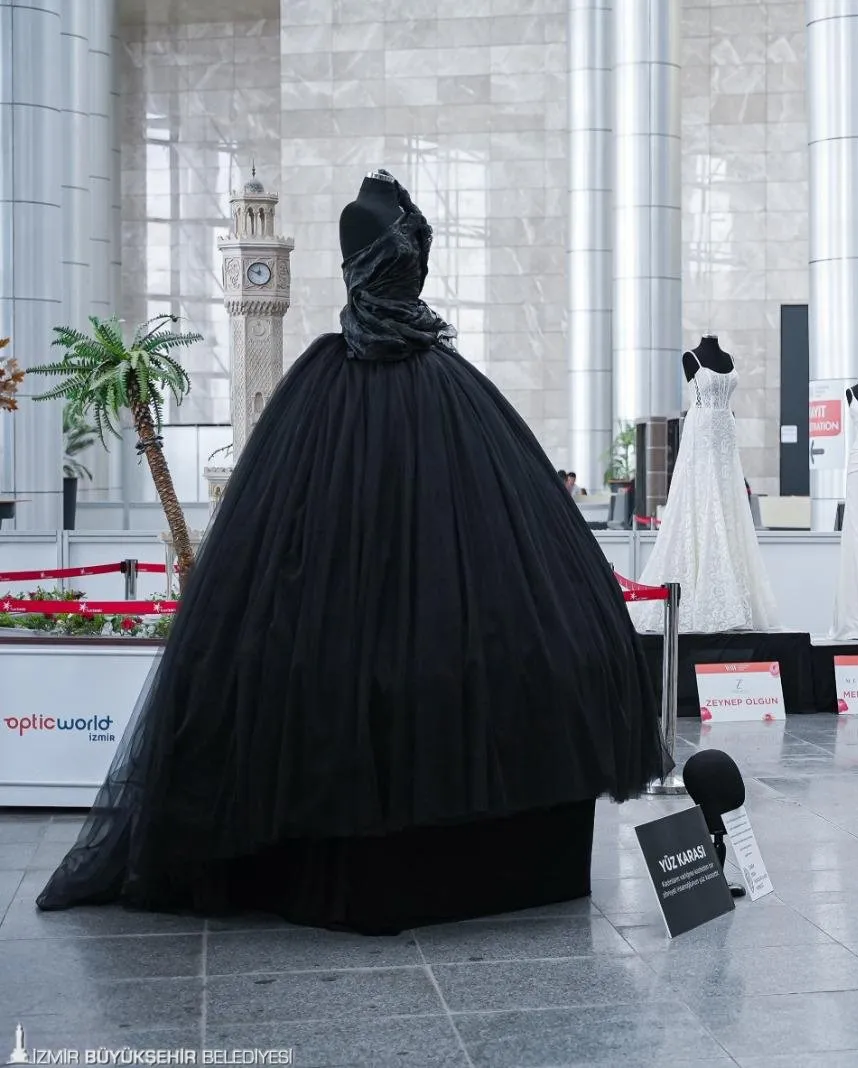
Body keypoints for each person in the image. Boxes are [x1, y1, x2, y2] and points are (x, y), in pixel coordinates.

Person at [34, 173, 668, 934]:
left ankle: (485, 847)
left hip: (433, 391)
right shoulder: (355, 218)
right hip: (355, 391)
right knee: (343, 621)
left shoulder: (392, 225)